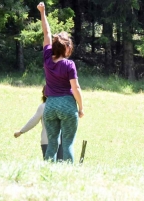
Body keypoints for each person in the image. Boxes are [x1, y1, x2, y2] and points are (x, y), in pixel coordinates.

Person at [37, 2, 84, 163]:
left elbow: (47, 33)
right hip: (67, 104)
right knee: (68, 143)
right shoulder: (69, 64)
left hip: (49, 106)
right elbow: (75, 87)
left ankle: (48, 171)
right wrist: (81, 107)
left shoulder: (47, 58)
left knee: (52, 144)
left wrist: (42, 12)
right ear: (67, 48)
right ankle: (69, 174)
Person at [14, 86, 63, 160]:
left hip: (47, 141)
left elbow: (33, 121)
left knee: (49, 166)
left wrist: (21, 131)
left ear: (44, 94)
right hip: (61, 142)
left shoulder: (43, 107)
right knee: (61, 167)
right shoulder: (62, 107)